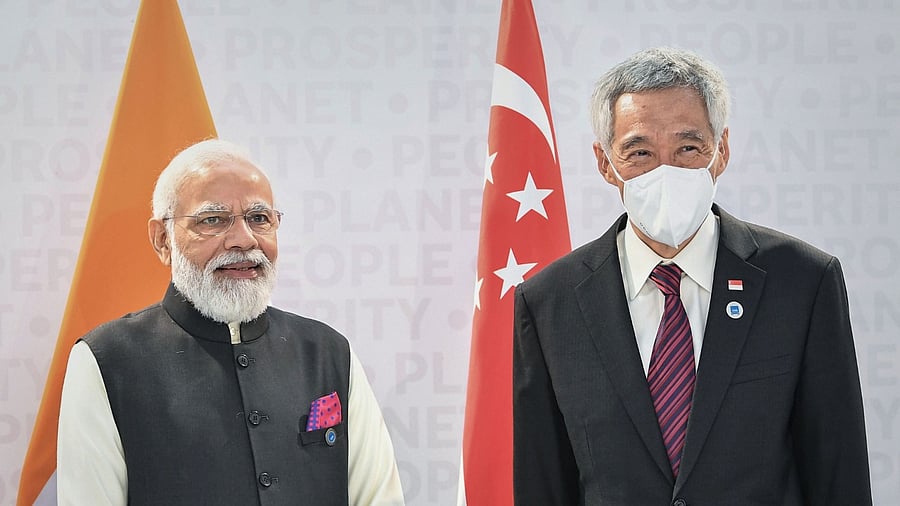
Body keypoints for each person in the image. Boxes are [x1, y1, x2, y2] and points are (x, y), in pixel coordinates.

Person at [512, 47, 871, 505]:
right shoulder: (548, 302)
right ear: (605, 163)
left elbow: (839, 477)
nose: (666, 171)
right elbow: (542, 484)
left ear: (721, 151)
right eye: (639, 152)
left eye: (688, 147)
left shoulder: (803, 282)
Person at [57, 139, 405, 505]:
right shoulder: (107, 361)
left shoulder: (329, 354)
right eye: (213, 220)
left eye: (259, 218)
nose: (243, 239)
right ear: (163, 240)